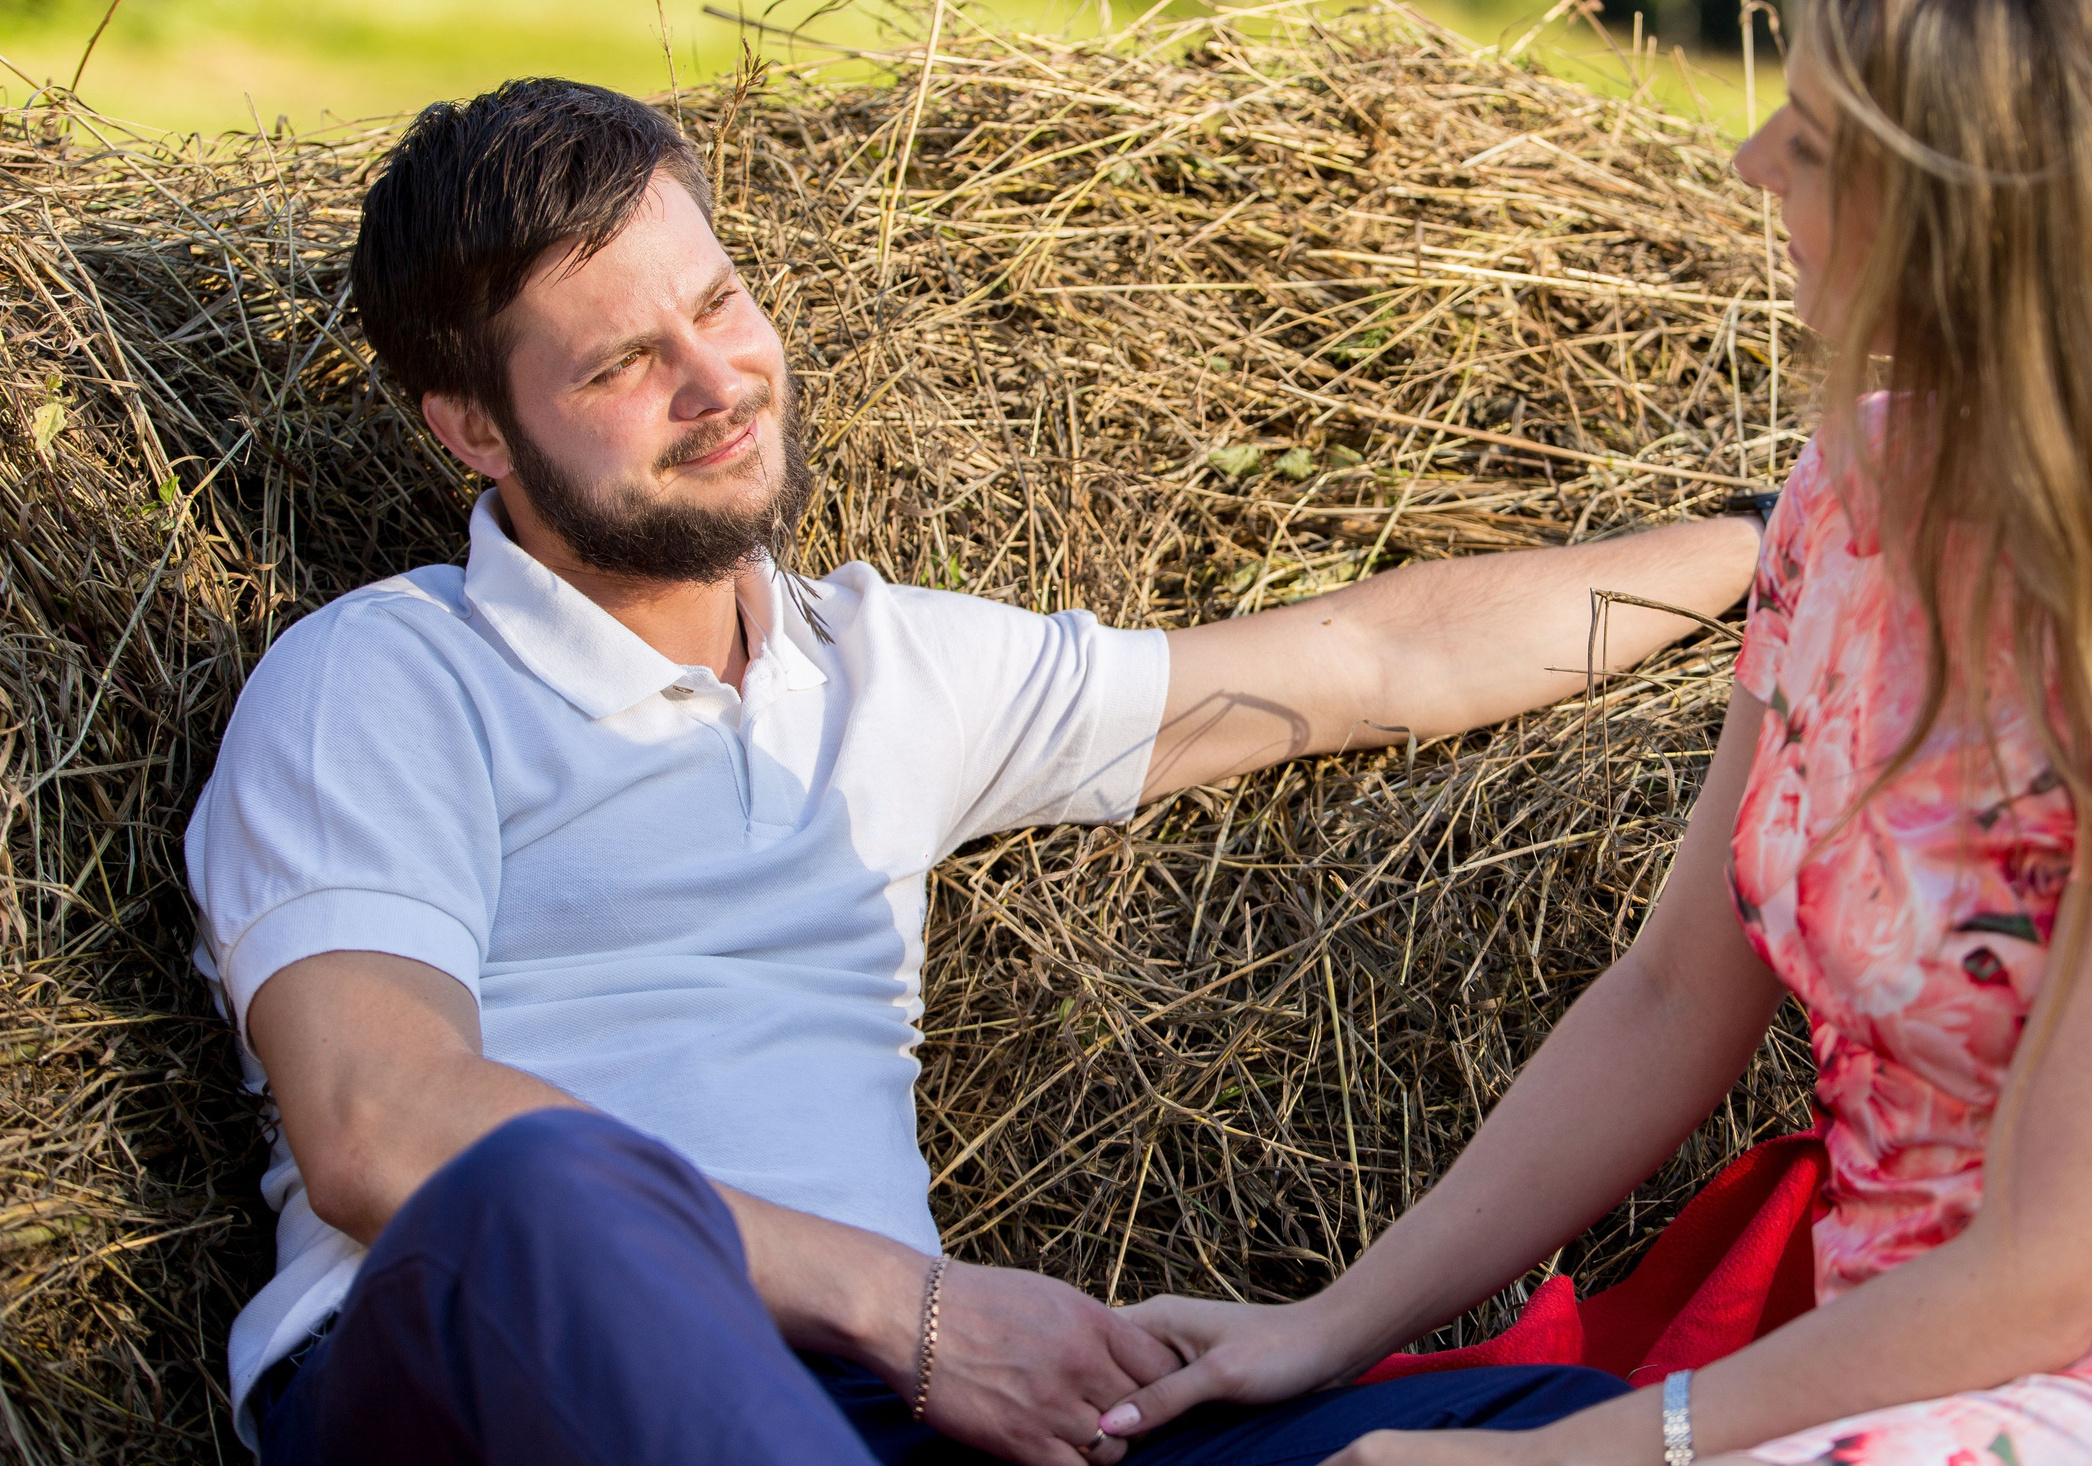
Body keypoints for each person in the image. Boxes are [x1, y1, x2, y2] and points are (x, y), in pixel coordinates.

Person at [1106, 0, 2092, 1466]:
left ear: (1983, 227)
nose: (1753, 156)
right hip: (1877, 1370)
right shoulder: (1849, 501)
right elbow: (1670, 995)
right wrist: (1332, 1326)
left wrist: (1556, 1461)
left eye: (1821, 138)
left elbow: (2044, 1281)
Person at [184, 77, 1763, 1464]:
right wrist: (916, 1306)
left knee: (1555, 1443)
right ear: (470, 424)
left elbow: (1369, 665)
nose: (715, 380)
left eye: (720, 302)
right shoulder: (384, 674)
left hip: (863, 1415)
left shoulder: (891, 670)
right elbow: (381, 1117)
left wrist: (1791, 530)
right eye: (618, 367)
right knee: (563, 1191)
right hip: (494, 1378)